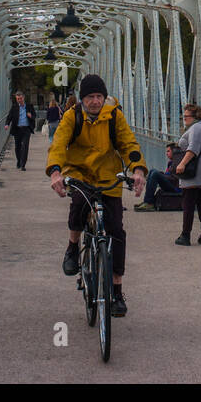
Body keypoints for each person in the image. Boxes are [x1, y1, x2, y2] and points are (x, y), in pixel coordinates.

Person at [47, 74, 146, 316]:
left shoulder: (114, 116)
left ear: (104, 97)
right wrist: (55, 172)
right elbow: (58, 144)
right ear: (82, 99)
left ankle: (117, 290)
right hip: (80, 174)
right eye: (90, 97)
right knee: (78, 207)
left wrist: (138, 169)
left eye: (99, 96)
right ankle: (72, 247)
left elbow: (128, 144)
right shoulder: (72, 117)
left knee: (116, 231)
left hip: (108, 177)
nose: (95, 101)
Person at [173, 103, 201, 246]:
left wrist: (182, 164)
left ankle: (185, 236)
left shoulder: (196, 128)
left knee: (188, 205)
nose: (184, 119)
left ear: (195, 116)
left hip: (194, 172)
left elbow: (193, 149)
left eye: (186, 117)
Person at [133, 142, 182, 212]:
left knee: (155, 173)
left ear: (174, 151)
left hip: (175, 187)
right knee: (152, 171)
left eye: (168, 151)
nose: (166, 153)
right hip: (171, 183)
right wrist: (162, 174)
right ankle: (147, 201)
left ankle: (149, 203)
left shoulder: (178, 162)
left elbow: (175, 179)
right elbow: (169, 175)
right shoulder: (171, 162)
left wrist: (162, 176)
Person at [4, 91, 37, 171]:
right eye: (18, 99)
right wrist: (7, 124)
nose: (19, 100)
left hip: (26, 129)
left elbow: (34, 116)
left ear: (23, 97)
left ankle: (23, 164)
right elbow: (9, 117)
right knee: (17, 147)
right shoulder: (14, 107)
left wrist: (30, 116)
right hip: (17, 129)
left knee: (25, 146)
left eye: (20, 98)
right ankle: (19, 160)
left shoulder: (29, 106)